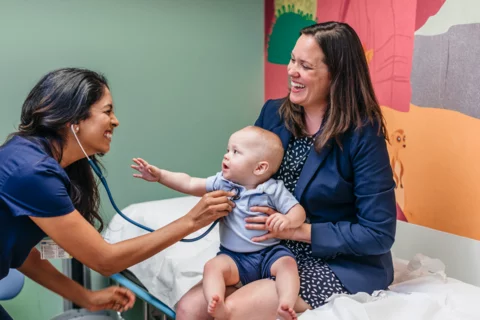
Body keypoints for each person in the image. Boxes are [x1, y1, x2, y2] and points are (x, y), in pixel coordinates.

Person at [175, 21, 397, 320]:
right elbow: (247, 176)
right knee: (188, 309)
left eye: (305, 65)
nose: (291, 70)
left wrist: (297, 230)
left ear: (336, 75)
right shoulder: (274, 114)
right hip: (270, 252)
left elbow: (377, 233)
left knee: (235, 311)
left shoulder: (362, 135)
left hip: (339, 263)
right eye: (293, 59)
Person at [0, 68, 235, 320]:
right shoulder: (34, 172)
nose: (115, 121)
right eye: (107, 111)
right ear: (74, 120)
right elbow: (105, 260)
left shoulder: (31, 156)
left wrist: (86, 297)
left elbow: (23, 256)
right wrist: (192, 220)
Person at [131, 126, 306, 320]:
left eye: (236, 152)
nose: (226, 156)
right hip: (234, 258)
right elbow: (189, 183)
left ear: (260, 168)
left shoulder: (273, 189)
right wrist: (161, 176)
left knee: (288, 265)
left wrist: (287, 220)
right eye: (228, 150)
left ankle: (286, 303)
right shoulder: (222, 182)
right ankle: (216, 301)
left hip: (270, 253)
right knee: (212, 267)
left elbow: (298, 211)